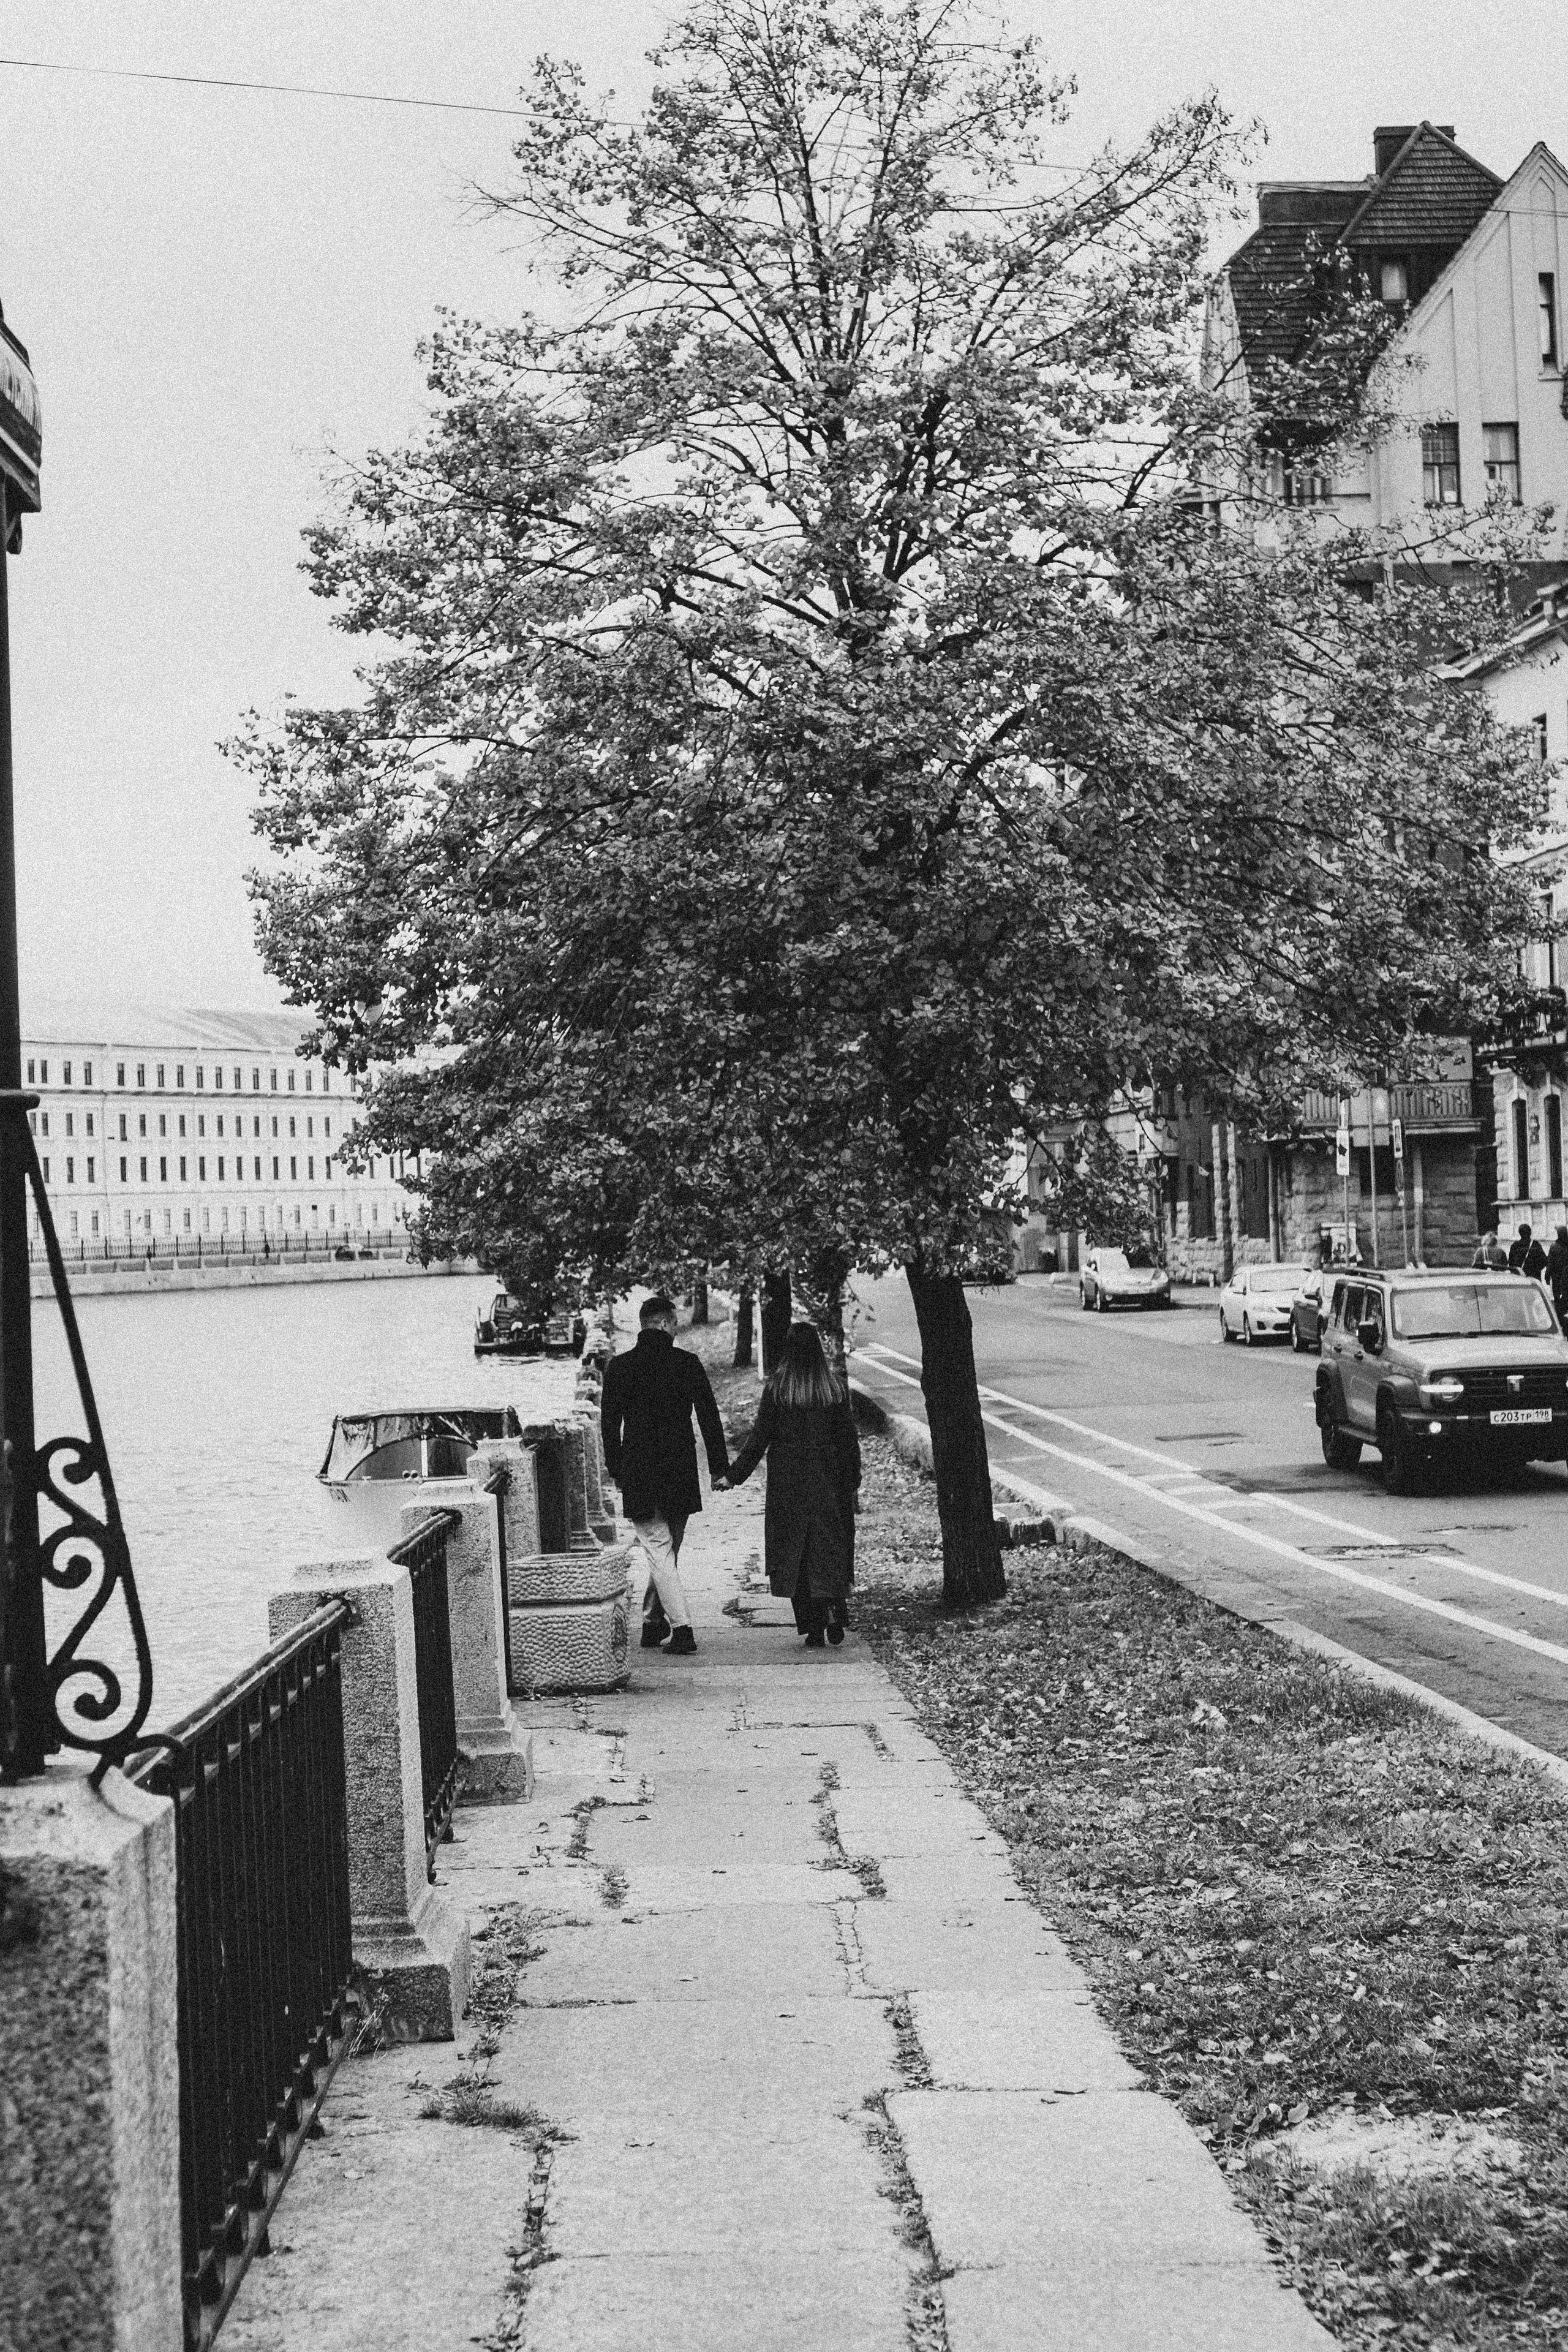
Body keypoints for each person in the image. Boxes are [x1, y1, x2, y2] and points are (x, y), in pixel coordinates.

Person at [600, 1293, 729, 1657]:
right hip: (680, 1470)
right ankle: (676, 1626)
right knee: (667, 1548)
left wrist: (616, 1470)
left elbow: (609, 1426)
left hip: (639, 1470)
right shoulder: (687, 1363)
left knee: (659, 1550)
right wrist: (720, 1469)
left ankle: (660, 1623)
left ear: (643, 1324)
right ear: (668, 1324)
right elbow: (709, 1418)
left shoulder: (619, 1367)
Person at [722, 1323, 861, 1649]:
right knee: (830, 1549)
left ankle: (812, 1627)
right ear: (818, 1349)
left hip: (788, 1487)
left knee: (796, 1553)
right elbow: (848, 1441)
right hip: (830, 1482)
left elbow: (759, 1439)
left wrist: (733, 1476)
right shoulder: (835, 1389)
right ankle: (833, 1608)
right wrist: (853, 1480)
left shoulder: (779, 1390)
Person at [1547, 1224, 1568, 1322]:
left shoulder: (1554, 1246)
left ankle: (1559, 1318)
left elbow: (1550, 1262)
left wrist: (1547, 1276)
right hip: (1566, 1276)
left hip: (1556, 1277)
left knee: (1557, 1298)